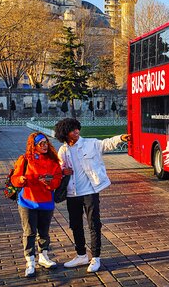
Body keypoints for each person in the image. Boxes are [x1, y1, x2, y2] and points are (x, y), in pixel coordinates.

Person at [54, 118, 130, 273]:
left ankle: (96, 257)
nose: (76, 131)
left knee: (94, 224)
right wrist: (62, 171)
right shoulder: (63, 151)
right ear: (65, 133)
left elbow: (106, 144)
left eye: (77, 128)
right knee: (75, 225)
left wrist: (120, 138)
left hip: (90, 191)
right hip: (72, 193)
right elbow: (59, 169)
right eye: (72, 129)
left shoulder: (90, 143)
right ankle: (81, 255)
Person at [10, 132, 63, 277]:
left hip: (46, 202)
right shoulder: (25, 159)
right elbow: (14, 178)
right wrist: (20, 180)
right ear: (34, 146)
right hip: (28, 201)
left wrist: (50, 183)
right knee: (29, 232)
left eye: (46, 143)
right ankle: (30, 261)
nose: (45, 146)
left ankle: (43, 256)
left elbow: (57, 178)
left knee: (44, 232)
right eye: (41, 144)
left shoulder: (53, 161)